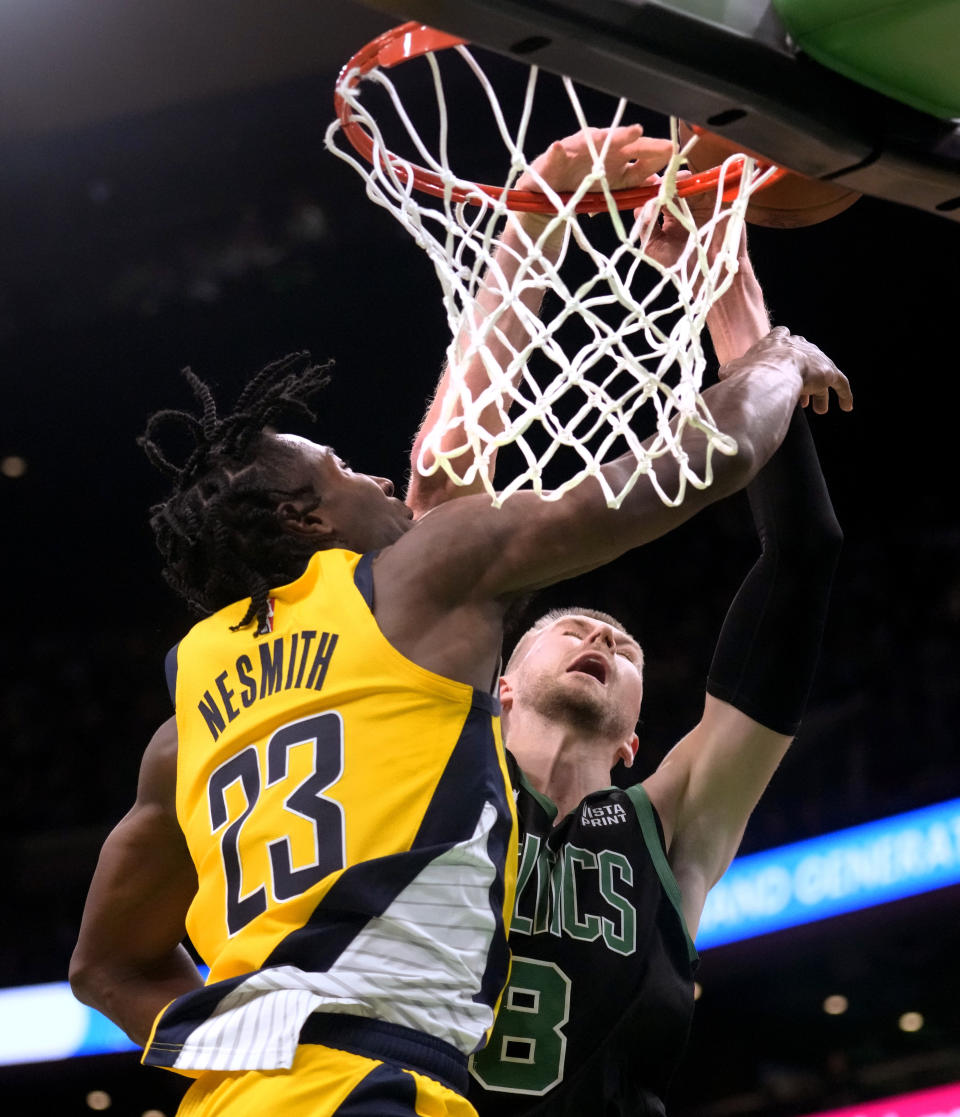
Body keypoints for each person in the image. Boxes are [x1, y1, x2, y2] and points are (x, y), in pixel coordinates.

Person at [69, 127, 851, 1117]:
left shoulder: (193, 724)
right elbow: (680, 465)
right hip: (370, 1092)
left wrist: (538, 222)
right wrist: (769, 355)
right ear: (499, 685)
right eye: (349, 472)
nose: (380, 475)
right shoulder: (411, 602)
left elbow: (105, 967)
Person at [406, 153, 847, 1115]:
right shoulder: (432, 767)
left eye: (626, 643)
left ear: (639, 735)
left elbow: (803, 557)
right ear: (501, 687)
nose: (603, 631)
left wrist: (733, 302)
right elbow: (445, 489)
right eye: (568, 622)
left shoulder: (672, 822)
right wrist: (534, 226)